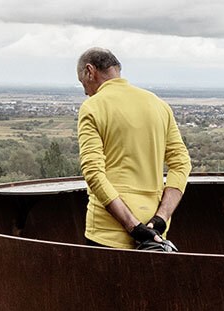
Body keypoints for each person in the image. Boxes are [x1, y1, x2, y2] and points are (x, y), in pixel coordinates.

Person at [75, 48, 191, 249]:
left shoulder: (93, 107)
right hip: (154, 230)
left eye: (81, 82)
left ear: (89, 71)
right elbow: (181, 164)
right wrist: (161, 218)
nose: (85, 91)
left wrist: (133, 226)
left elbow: (93, 173)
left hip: (108, 232)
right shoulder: (158, 105)